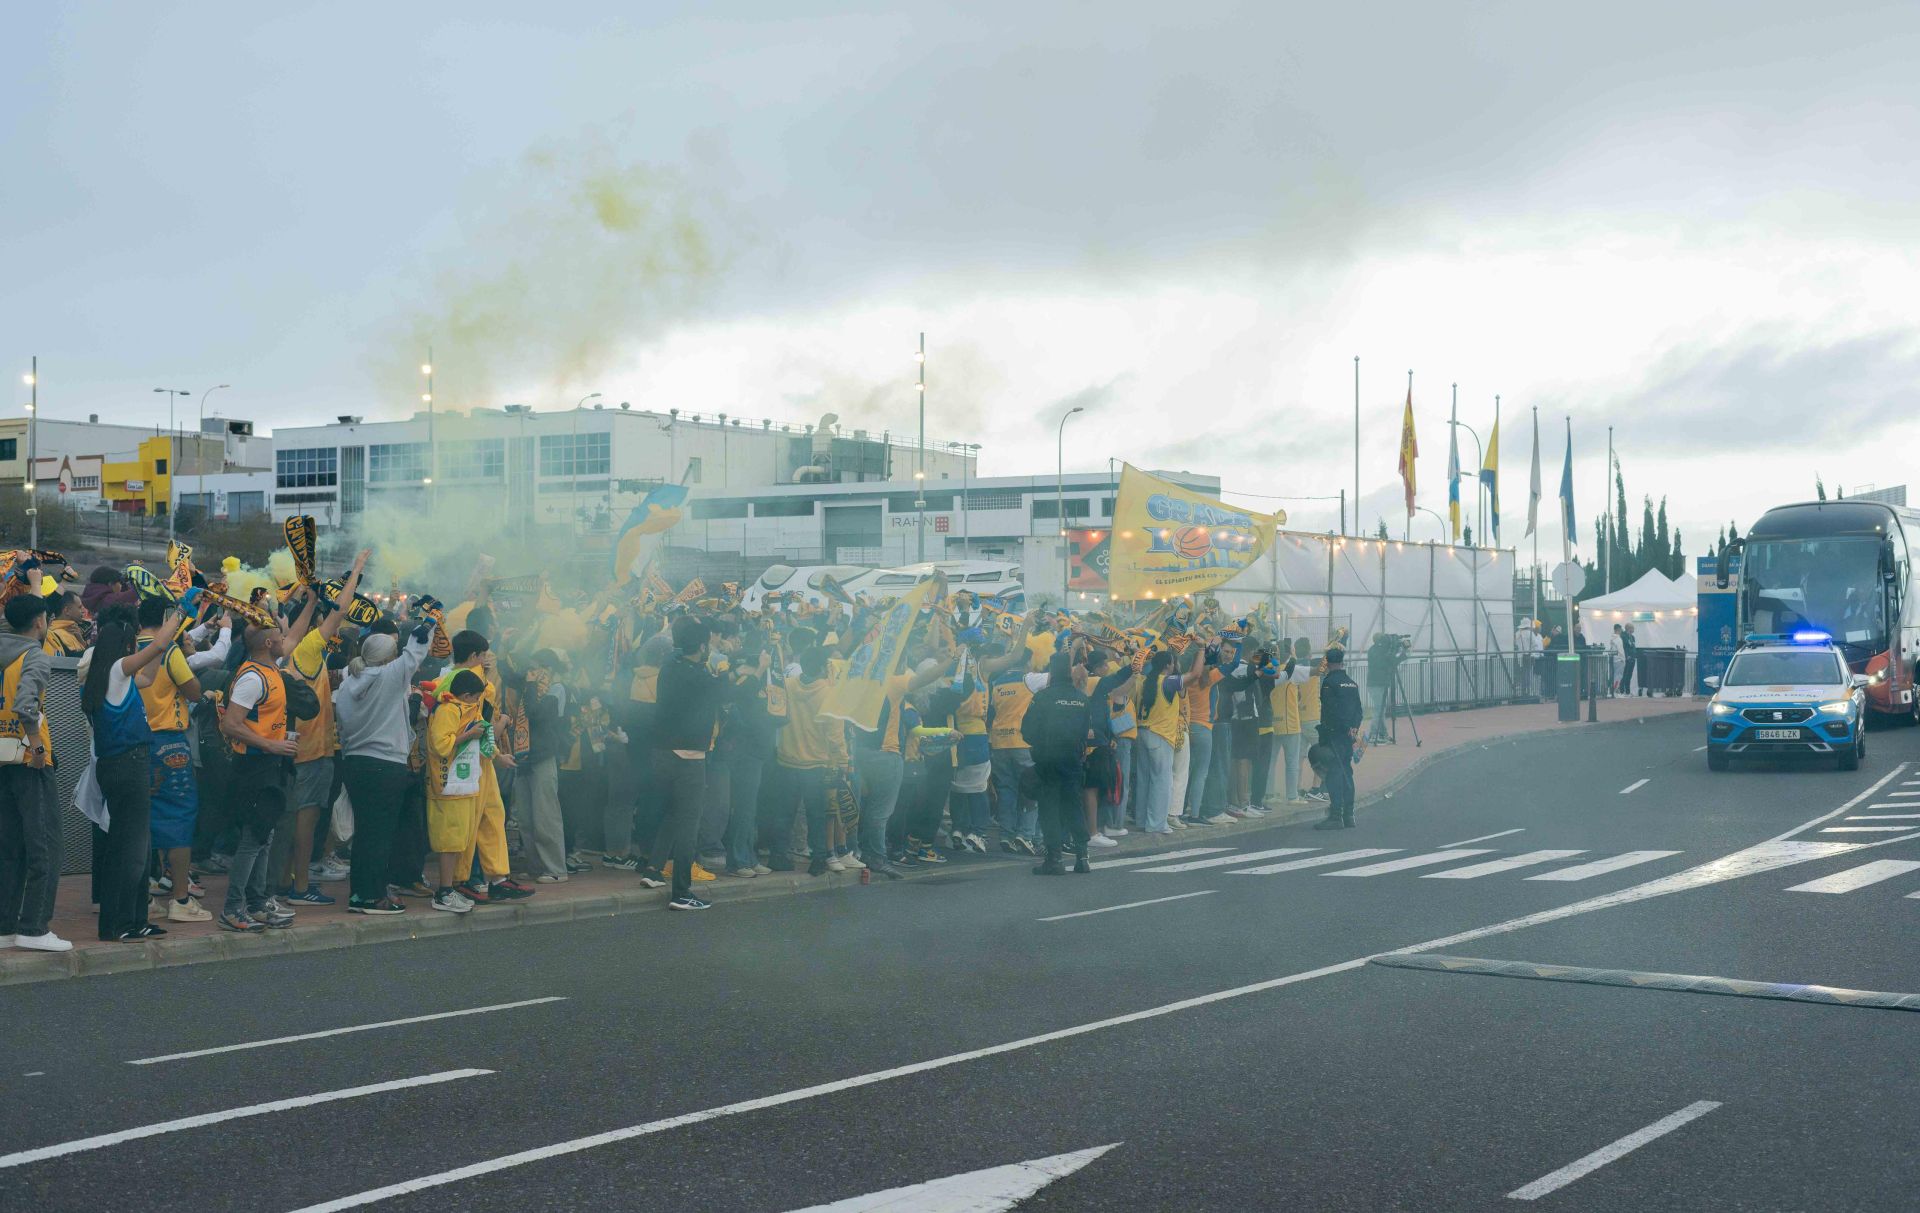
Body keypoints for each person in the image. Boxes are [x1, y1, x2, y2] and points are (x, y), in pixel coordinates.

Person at [89, 603, 188, 941]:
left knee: (135, 848)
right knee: (130, 851)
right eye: (134, 645)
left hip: (124, 764)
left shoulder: (112, 676)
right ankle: (119, 925)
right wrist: (177, 615)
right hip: (127, 765)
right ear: (124, 647)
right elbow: (158, 646)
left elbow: (149, 674)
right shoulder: (116, 670)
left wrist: (164, 642)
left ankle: (134, 920)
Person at [332, 614, 433, 914]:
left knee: (367, 833)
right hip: (384, 766)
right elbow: (416, 651)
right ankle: (372, 896)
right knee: (380, 834)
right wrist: (428, 621)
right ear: (388, 659)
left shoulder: (351, 681)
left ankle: (360, 894)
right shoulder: (388, 677)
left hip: (355, 764)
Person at [217, 616, 300, 933]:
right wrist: (270, 745)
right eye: (279, 635)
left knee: (265, 837)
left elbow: (292, 637)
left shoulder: (271, 668)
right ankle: (232, 908)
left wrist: (305, 604)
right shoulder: (253, 677)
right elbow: (230, 724)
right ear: (268, 643)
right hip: (253, 766)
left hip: (269, 764)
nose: (284, 638)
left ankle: (256, 903)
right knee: (253, 840)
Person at [133, 595, 208, 923]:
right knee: (178, 817)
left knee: (140, 820)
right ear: (168, 617)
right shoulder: (170, 651)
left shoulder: (128, 647)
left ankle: (143, 896)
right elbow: (194, 691)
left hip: (134, 742)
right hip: (169, 742)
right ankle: (180, 899)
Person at [0, 595, 67, 951]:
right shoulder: (35, 656)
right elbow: (26, 704)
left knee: (10, 849)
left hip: (1, 760)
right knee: (46, 846)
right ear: (40, 621)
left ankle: (6, 927)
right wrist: (39, 747)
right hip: (29, 760)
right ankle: (35, 927)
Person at [652, 615, 718, 910]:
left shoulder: (670, 665)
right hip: (690, 758)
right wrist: (755, 672)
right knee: (688, 824)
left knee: (670, 814)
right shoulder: (698, 676)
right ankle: (681, 892)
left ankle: (652, 871)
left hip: (664, 753)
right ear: (702, 646)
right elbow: (728, 691)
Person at [1021, 650, 1097, 875]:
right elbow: (1085, 732)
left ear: (1051, 672)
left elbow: (1027, 731)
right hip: (1073, 760)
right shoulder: (1082, 699)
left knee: (1049, 808)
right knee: (1073, 805)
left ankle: (1054, 859)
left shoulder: (1042, 697)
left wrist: (1042, 743)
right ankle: (1082, 857)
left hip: (1048, 761)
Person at [425, 670, 488, 913]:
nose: (475, 703)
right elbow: (441, 745)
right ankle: (443, 893)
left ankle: (449, 889)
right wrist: (470, 734)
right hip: (446, 785)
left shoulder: (465, 708)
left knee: (458, 839)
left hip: (462, 785)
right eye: (474, 698)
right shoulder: (448, 710)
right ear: (465, 694)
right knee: (448, 841)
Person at [1313, 647, 1366, 831]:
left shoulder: (1329, 683)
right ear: (1342, 662)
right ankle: (1349, 814)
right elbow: (1359, 710)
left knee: (1334, 773)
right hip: (1349, 734)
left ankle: (1336, 815)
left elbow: (1330, 710)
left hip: (1335, 734)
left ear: (1327, 662)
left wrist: (1337, 729)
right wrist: (1353, 729)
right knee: (1347, 772)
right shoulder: (1351, 682)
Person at [42, 591, 87, 657]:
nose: (83, 611)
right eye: (79, 607)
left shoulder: (74, 631)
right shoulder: (57, 634)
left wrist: (81, 641)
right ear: (67, 610)